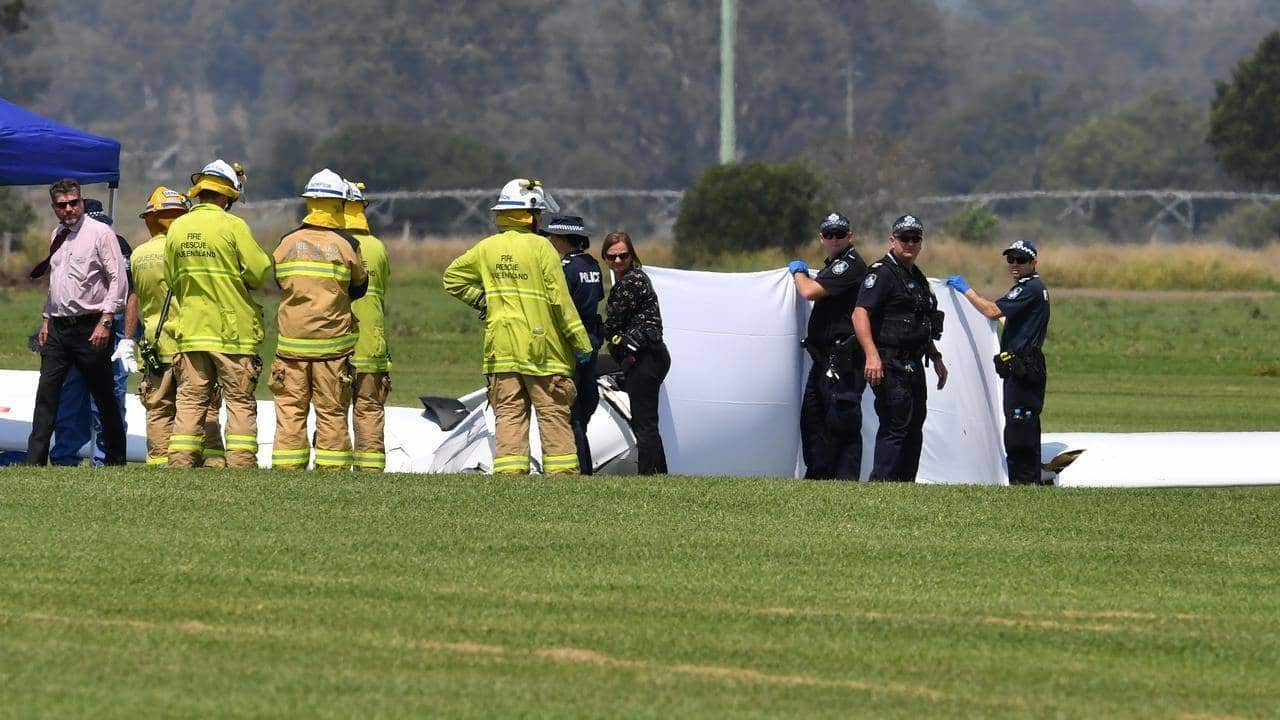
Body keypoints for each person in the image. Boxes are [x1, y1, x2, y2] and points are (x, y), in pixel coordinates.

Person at [443, 178, 592, 475]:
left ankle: (511, 479)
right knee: (552, 415)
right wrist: (582, 344)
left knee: (509, 416)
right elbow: (560, 300)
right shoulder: (542, 248)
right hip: (542, 352)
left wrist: (483, 302)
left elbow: (452, 278)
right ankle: (561, 479)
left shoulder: (487, 248)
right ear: (532, 213)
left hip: (501, 350)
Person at [165, 159, 272, 468]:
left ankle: (181, 462)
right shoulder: (233, 226)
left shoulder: (178, 226)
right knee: (239, 401)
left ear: (200, 192)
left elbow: (172, 279)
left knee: (190, 400)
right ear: (227, 196)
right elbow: (260, 271)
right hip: (231, 332)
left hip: (191, 332)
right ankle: (240, 465)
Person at [269, 169, 368, 470]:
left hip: (291, 348)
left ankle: (288, 470)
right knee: (332, 411)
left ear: (309, 202)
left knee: (290, 410)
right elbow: (359, 287)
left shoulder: (287, 242)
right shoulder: (347, 244)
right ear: (339, 205)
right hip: (332, 348)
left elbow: (278, 281)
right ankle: (333, 469)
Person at [26, 178, 127, 466]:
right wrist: (46, 318)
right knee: (46, 394)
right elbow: (55, 283)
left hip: (91, 324)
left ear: (81, 201)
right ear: (54, 207)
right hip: (58, 327)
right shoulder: (57, 234)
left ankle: (116, 459)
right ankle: (34, 462)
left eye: (74, 202)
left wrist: (106, 320)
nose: (69, 209)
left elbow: (118, 279)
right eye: (62, 205)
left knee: (104, 396)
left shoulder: (100, 233)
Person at [132, 186, 226, 467]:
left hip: (155, 346)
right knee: (203, 407)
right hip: (192, 345)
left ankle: (161, 464)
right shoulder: (187, 251)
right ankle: (211, 463)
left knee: (159, 409)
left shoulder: (139, 255)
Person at [947, 240, 1051, 485]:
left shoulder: (1028, 288)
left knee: (1019, 423)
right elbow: (1014, 322)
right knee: (1023, 421)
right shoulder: (1035, 289)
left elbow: (993, 311)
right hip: (1025, 362)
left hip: (1024, 365)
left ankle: (1023, 482)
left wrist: (966, 291)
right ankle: (1027, 479)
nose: (1015, 264)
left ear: (1033, 262)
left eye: (1021, 260)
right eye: (1011, 259)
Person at [853, 214, 948, 482]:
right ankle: (883, 485)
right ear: (893, 240)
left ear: (920, 243)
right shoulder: (882, 273)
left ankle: (904, 487)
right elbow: (859, 314)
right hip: (888, 359)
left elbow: (920, 322)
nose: (909, 243)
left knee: (915, 423)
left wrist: (936, 356)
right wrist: (871, 355)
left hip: (914, 361)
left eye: (915, 238)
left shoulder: (916, 277)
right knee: (897, 423)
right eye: (904, 238)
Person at [48, 198, 140, 466]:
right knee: (71, 397)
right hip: (74, 330)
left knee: (108, 397)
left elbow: (130, 293)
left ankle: (105, 459)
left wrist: (127, 340)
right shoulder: (63, 242)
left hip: (112, 328)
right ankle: (64, 457)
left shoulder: (117, 244)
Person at [789, 212, 869, 480]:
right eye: (830, 234)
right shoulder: (832, 266)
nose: (835, 239)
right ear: (821, 237)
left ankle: (844, 482)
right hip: (824, 359)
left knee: (841, 422)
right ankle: (819, 477)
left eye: (840, 234)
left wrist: (799, 273)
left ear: (850, 236)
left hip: (842, 360)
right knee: (814, 420)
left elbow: (809, 291)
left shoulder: (849, 265)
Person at [601, 230, 670, 475]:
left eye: (623, 256)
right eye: (612, 257)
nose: (618, 261)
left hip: (646, 356)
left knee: (644, 421)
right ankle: (658, 473)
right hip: (646, 356)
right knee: (646, 419)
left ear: (632, 255)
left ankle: (648, 474)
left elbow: (612, 322)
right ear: (605, 258)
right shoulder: (629, 279)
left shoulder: (633, 281)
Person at [545, 215, 604, 474]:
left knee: (571, 411)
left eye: (552, 237)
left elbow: (561, 305)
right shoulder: (592, 264)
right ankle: (585, 466)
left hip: (571, 342)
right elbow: (597, 297)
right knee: (583, 407)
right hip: (591, 339)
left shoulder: (565, 267)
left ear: (561, 238)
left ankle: (579, 467)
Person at [343, 180, 392, 472]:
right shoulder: (377, 248)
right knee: (370, 409)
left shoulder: (330, 245)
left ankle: (332, 467)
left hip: (335, 344)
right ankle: (371, 471)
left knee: (333, 412)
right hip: (372, 345)